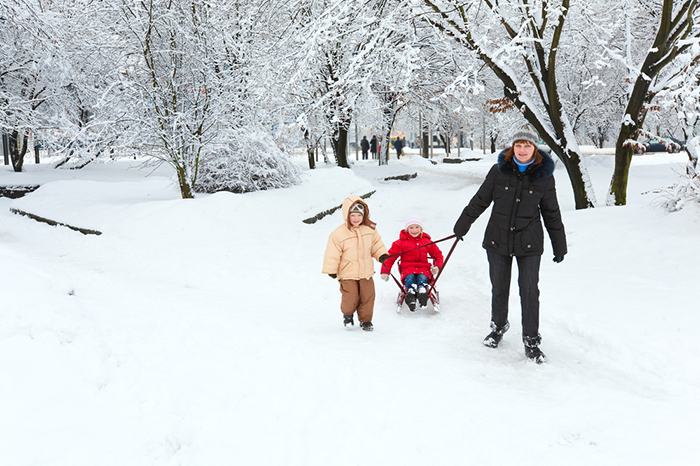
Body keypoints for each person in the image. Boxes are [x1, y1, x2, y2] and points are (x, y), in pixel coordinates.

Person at [453, 124, 567, 363]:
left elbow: (552, 212)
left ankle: (532, 341)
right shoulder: (498, 171)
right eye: (518, 145)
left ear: (535, 149)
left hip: (529, 241)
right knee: (500, 287)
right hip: (498, 238)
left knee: (529, 291)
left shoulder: (544, 177)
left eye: (527, 145)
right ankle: (498, 326)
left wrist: (559, 244)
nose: (522, 150)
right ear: (512, 147)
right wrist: (463, 224)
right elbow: (480, 200)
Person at [323, 196, 389, 331]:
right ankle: (348, 315)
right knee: (350, 296)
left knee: (368, 296)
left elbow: (376, 245)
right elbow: (332, 253)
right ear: (346, 215)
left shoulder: (370, 230)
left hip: (366, 272)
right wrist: (331, 269)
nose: (356, 218)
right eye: (352, 215)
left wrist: (381, 255)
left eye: (359, 215)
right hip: (347, 273)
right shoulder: (338, 234)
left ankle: (366, 321)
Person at [380, 215, 444, 312]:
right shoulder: (400, 243)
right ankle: (410, 296)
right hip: (407, 269)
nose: (414, 230)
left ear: (421, 228)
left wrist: (437, 267)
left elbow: (438, 255)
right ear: (407, 229)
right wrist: (385, 271)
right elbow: (390, 257)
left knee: (422, 279)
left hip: (423, 269)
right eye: (411, 227)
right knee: (409, 279)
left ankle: (423, 294)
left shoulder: (426, 241)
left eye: (417, 227)